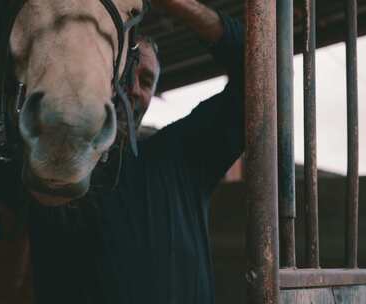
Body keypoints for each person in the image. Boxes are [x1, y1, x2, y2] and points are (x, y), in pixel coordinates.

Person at [27, 0, 244, 303]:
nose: (133, 89)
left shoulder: (181, 156)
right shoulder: (51, 159)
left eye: (146, 80)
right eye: (126, 71)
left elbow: (259, 70)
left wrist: (176, 5)